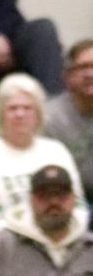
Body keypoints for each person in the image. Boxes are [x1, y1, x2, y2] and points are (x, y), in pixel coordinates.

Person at [0, 74, 89, 229]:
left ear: (38, 114)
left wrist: (63, 238)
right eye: (12, 108)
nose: (20, 114)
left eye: (27, 108)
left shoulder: (56, 151)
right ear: (0, 114)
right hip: (8, 246)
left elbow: (79, 208)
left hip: (61, 240)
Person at [47, 40, 93, 200]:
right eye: (83, 67)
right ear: (68, 77)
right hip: (66, 202)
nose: (90, 74)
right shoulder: (49, 117)